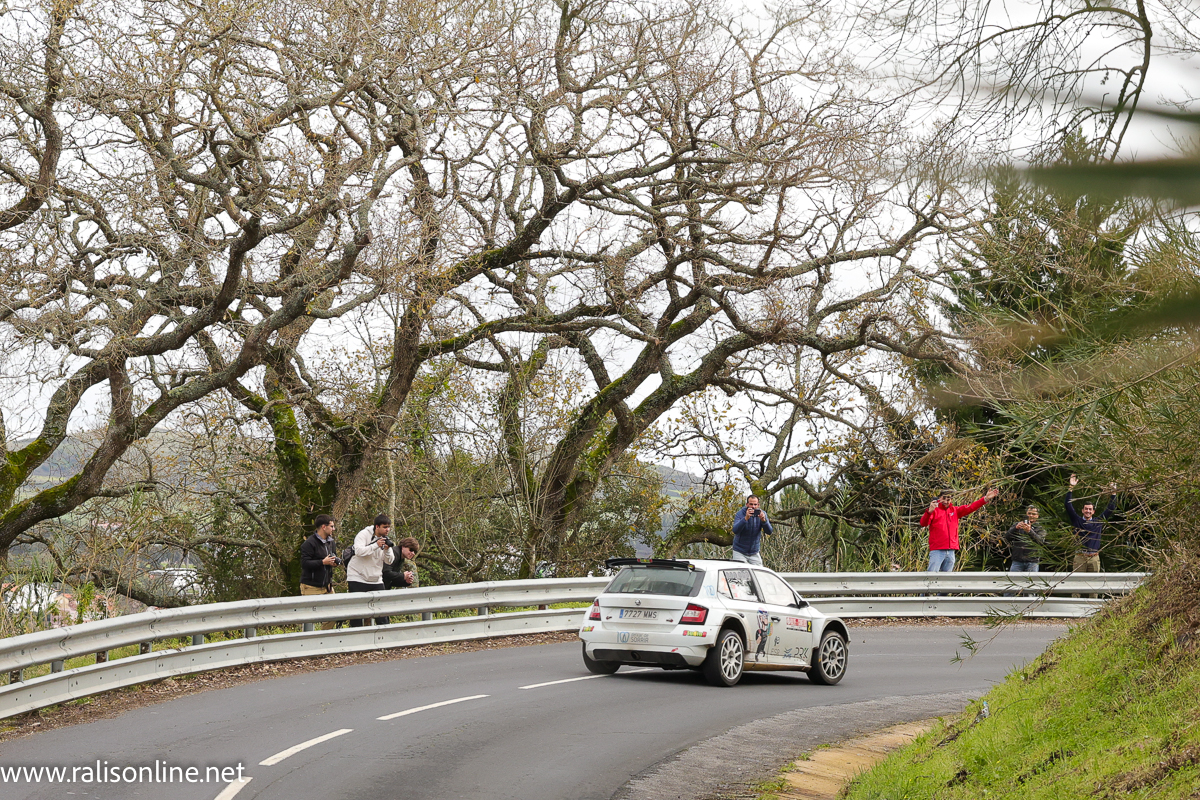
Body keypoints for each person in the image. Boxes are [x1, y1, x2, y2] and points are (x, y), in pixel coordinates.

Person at [920, 487, 999, 572]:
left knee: (947, 578)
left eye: (948, 499)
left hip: (951, 551)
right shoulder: (934, 511)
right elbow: (923, 523)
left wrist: (985, 499)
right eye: (944, 498)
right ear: (939, 498)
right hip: (937, 550)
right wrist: (929, 511)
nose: (946, 501)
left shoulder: (955, 510)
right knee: (932, 576)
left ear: (951, 499)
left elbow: (971, 507)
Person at [1066, 475, 1117, 598]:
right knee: (1076, 585)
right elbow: (1068, 505)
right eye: (1086, 509)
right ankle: (1074, 606)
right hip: (1080, 556)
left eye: (1090, 509)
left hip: (1094, 557)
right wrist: (1071, 487)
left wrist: (1113, 492)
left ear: (1093, 511)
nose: (1088, 511)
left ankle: (1093, 606)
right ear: (1082, 510)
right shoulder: (1077, 520)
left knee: (1094, 586)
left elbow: (1111, 508)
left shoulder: (1098, 521)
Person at [347, 513, 396, 626]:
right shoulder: (363, 534)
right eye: (385, 527)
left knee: (382, 612)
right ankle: (356, 634)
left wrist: (387, 550)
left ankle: (384, 633)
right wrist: (375, 545)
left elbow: (390, 561)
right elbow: (359, 551)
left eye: (389, 527)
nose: (387, 530)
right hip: (357, 576)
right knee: (357, 613)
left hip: (375, 579)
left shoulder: (385, 539)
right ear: (377, 526)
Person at [1002, 506, 1047, 597]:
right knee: (1011, 587)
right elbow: (1006, 538)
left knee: (1030, 589)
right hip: (1017, 560)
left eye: (1033, 514)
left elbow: (1040, 542)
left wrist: (1030, 531)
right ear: (1026, 514)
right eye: (1029, 513)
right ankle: (1007, 603)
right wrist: (1015, 528)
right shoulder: (1018, 525)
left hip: (1032, 561)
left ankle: (1029, 605)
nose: (1031, 516)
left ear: (1037, 516)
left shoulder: (1040, 528)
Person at [731, 495, 773, 566]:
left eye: (755, 504)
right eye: (751, 504)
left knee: (759, 571)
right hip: (739, 551)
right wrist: (745, 519)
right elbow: (735, 530)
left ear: (758, 505)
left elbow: (769, 531)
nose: (753, 506)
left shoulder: (762, 514)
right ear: (747, 504)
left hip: (754, 552)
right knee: (741, 571)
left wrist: (764, 521)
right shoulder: (740, 514)